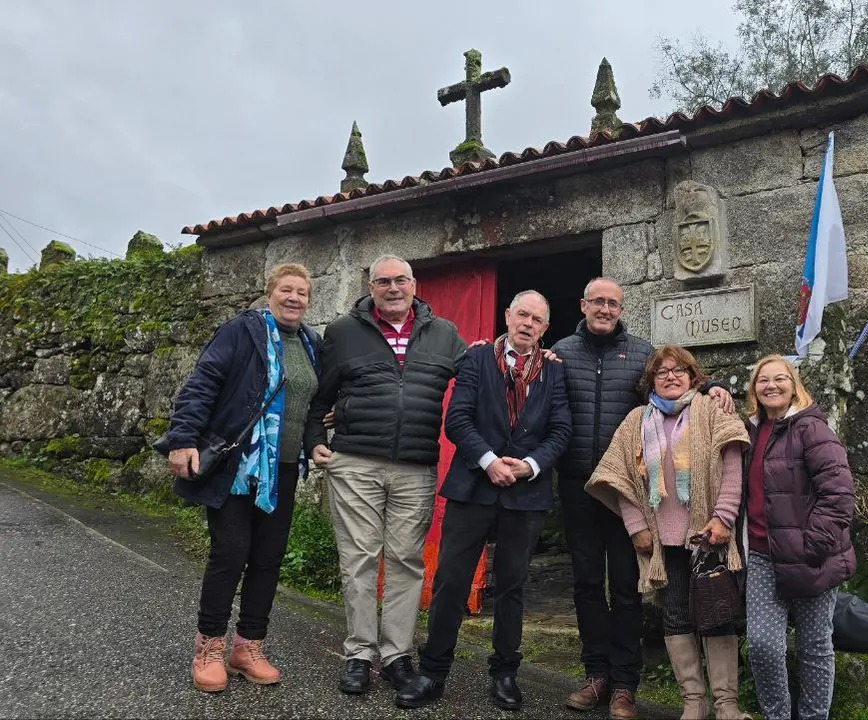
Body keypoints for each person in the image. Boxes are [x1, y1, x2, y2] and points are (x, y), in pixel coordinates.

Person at [551, 278, 734, 720]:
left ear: (621, 308)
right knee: (586, 585)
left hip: (630, 492)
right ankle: (596, 675)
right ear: (583, 305)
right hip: (578, 486)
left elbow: (675, 384)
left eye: (613, 303)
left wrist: (714, 386)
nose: (605, 309)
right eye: (597, 301)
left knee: (627, 588)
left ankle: (624, 685)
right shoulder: (561, 353)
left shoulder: (640, 352)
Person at [304, 255, 467, 709]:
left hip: (416, 466)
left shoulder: (444, 333)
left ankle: (397, 655)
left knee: (405, 561)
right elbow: (321, 393)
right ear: (370, 287)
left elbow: (482, 375)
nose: (393, 288)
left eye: (400, 280)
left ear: (414, 285)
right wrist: (314, 439)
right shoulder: (342, 332)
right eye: (383, 281)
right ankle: (359, 653)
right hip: (355, 462)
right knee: (359, 558)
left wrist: (536, 357)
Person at [161, 263, 321, 693]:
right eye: (286, 289)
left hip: (283, 470)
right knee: (231, 553)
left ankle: (248, 647)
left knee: (268, 558)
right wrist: (183, 438)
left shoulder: (312, 344)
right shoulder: (243, 331)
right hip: (239, 467)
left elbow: (313, 406)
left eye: (302, 292)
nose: (294, 298)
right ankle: (209, 647)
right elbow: (204, 382)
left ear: (309, 300)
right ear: (269, 293)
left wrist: (316, 442)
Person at [415, 290, 571, 711]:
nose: (527, 324)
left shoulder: (555, 371)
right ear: (507, 315)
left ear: (545, 328)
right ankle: (432, 672)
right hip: (473, 487)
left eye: (536, 319)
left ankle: (504, 674)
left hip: (526, 493)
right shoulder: (478, 358)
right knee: (451, 582)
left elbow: (560, 430)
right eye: (522, 314)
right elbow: (457, 418)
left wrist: (529, 466)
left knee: (512, 587)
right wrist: (488, 461)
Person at [587, 345, 750, 720]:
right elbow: (621, 478)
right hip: (664, 542)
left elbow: (732, 465)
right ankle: (693, 702)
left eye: (679, 371)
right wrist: (636, 527)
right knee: (675, 616)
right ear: (652, 381)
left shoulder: (712, 409)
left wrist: (724, 518)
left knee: (717, 616)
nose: (671, 377)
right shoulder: (636, 420)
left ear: (693, 377)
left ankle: (726, 704)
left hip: (708, 536)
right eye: (662, 372)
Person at [741, 355, 855, 720]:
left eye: (780, 379)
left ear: (794, 387)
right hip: (763, 556)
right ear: (754, 390)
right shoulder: (751, 431)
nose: (771, 385)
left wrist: (811, 547)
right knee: (762, 645)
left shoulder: (812, 429)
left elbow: (838, 495)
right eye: (763, 380)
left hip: (813, 557)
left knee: (815, 646)